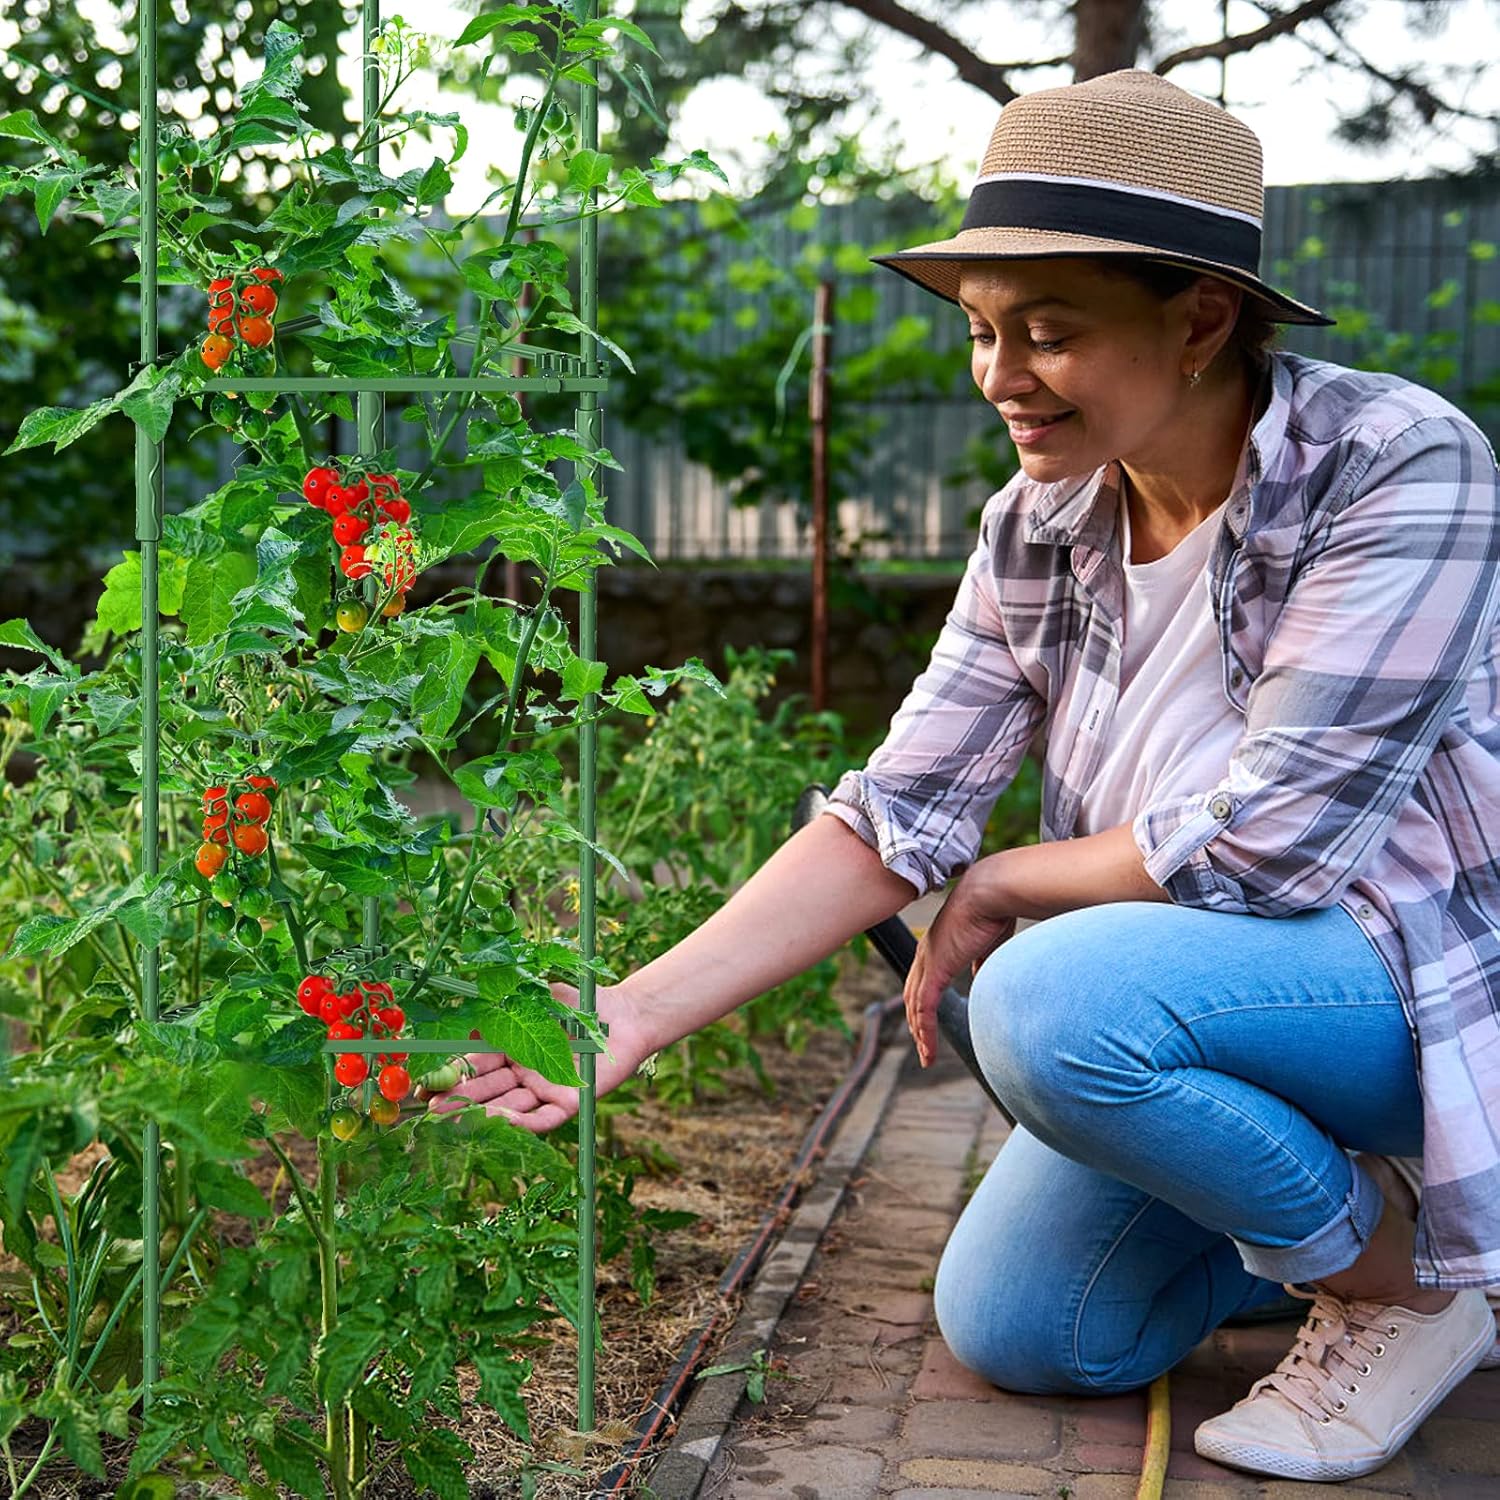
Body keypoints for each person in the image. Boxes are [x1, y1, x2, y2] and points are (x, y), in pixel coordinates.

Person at [424, 70, 1500, 1485]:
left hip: (1399, 984)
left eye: (1048, 333)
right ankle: (1361, 1222)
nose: (998, 377)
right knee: (1028, 1327)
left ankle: (1405, 1287)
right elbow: (898, 808)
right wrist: (627, 1012)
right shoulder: (1035, 526)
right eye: (984, 330)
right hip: (1188, 994)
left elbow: (1276, 842)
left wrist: (1004, 879)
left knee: (1045, 998)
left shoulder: (1395, 462)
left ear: (1200, 318)